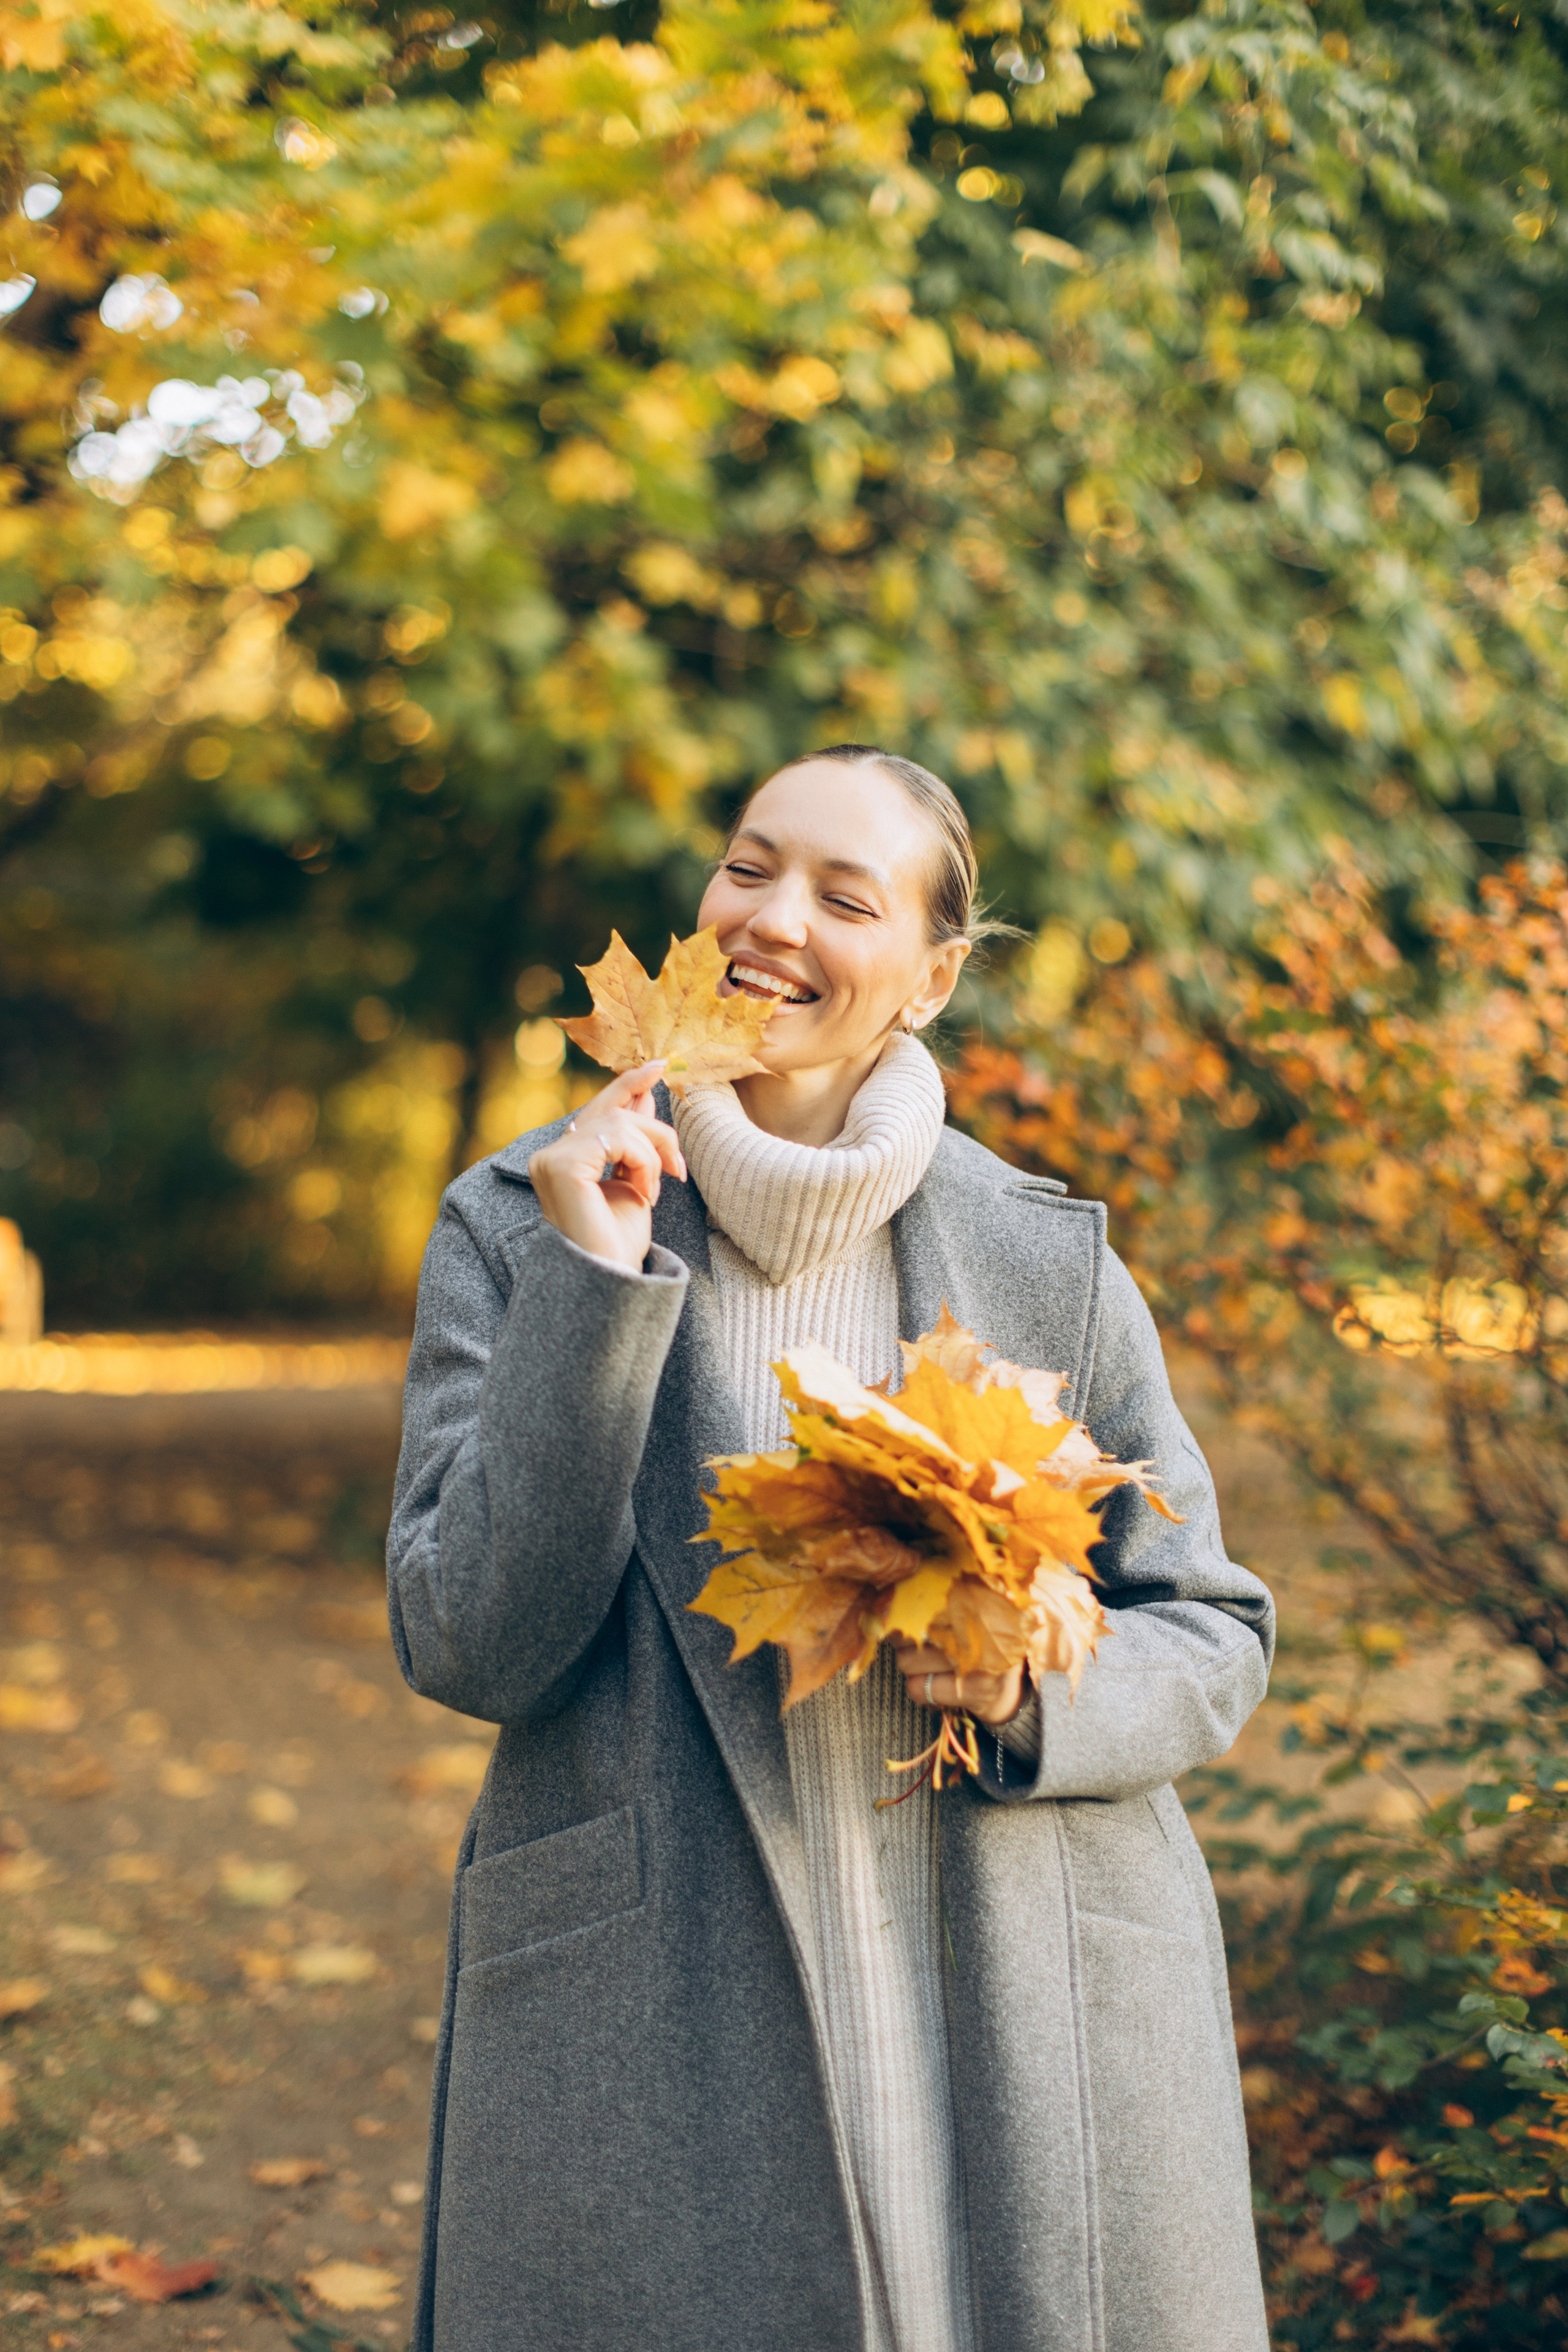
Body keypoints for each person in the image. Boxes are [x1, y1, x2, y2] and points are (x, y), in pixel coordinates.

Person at [387, 744, 1274, 2352]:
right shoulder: (521, 1223)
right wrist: (594, 1296)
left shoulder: (1047, 1259)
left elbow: (1211, 1628)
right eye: (749, 865)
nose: (772, 918)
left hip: (1015, 1995)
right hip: (666, 2003)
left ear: (930, 979)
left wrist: (1035, 1690)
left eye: (845, 897)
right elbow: (471, 1641)